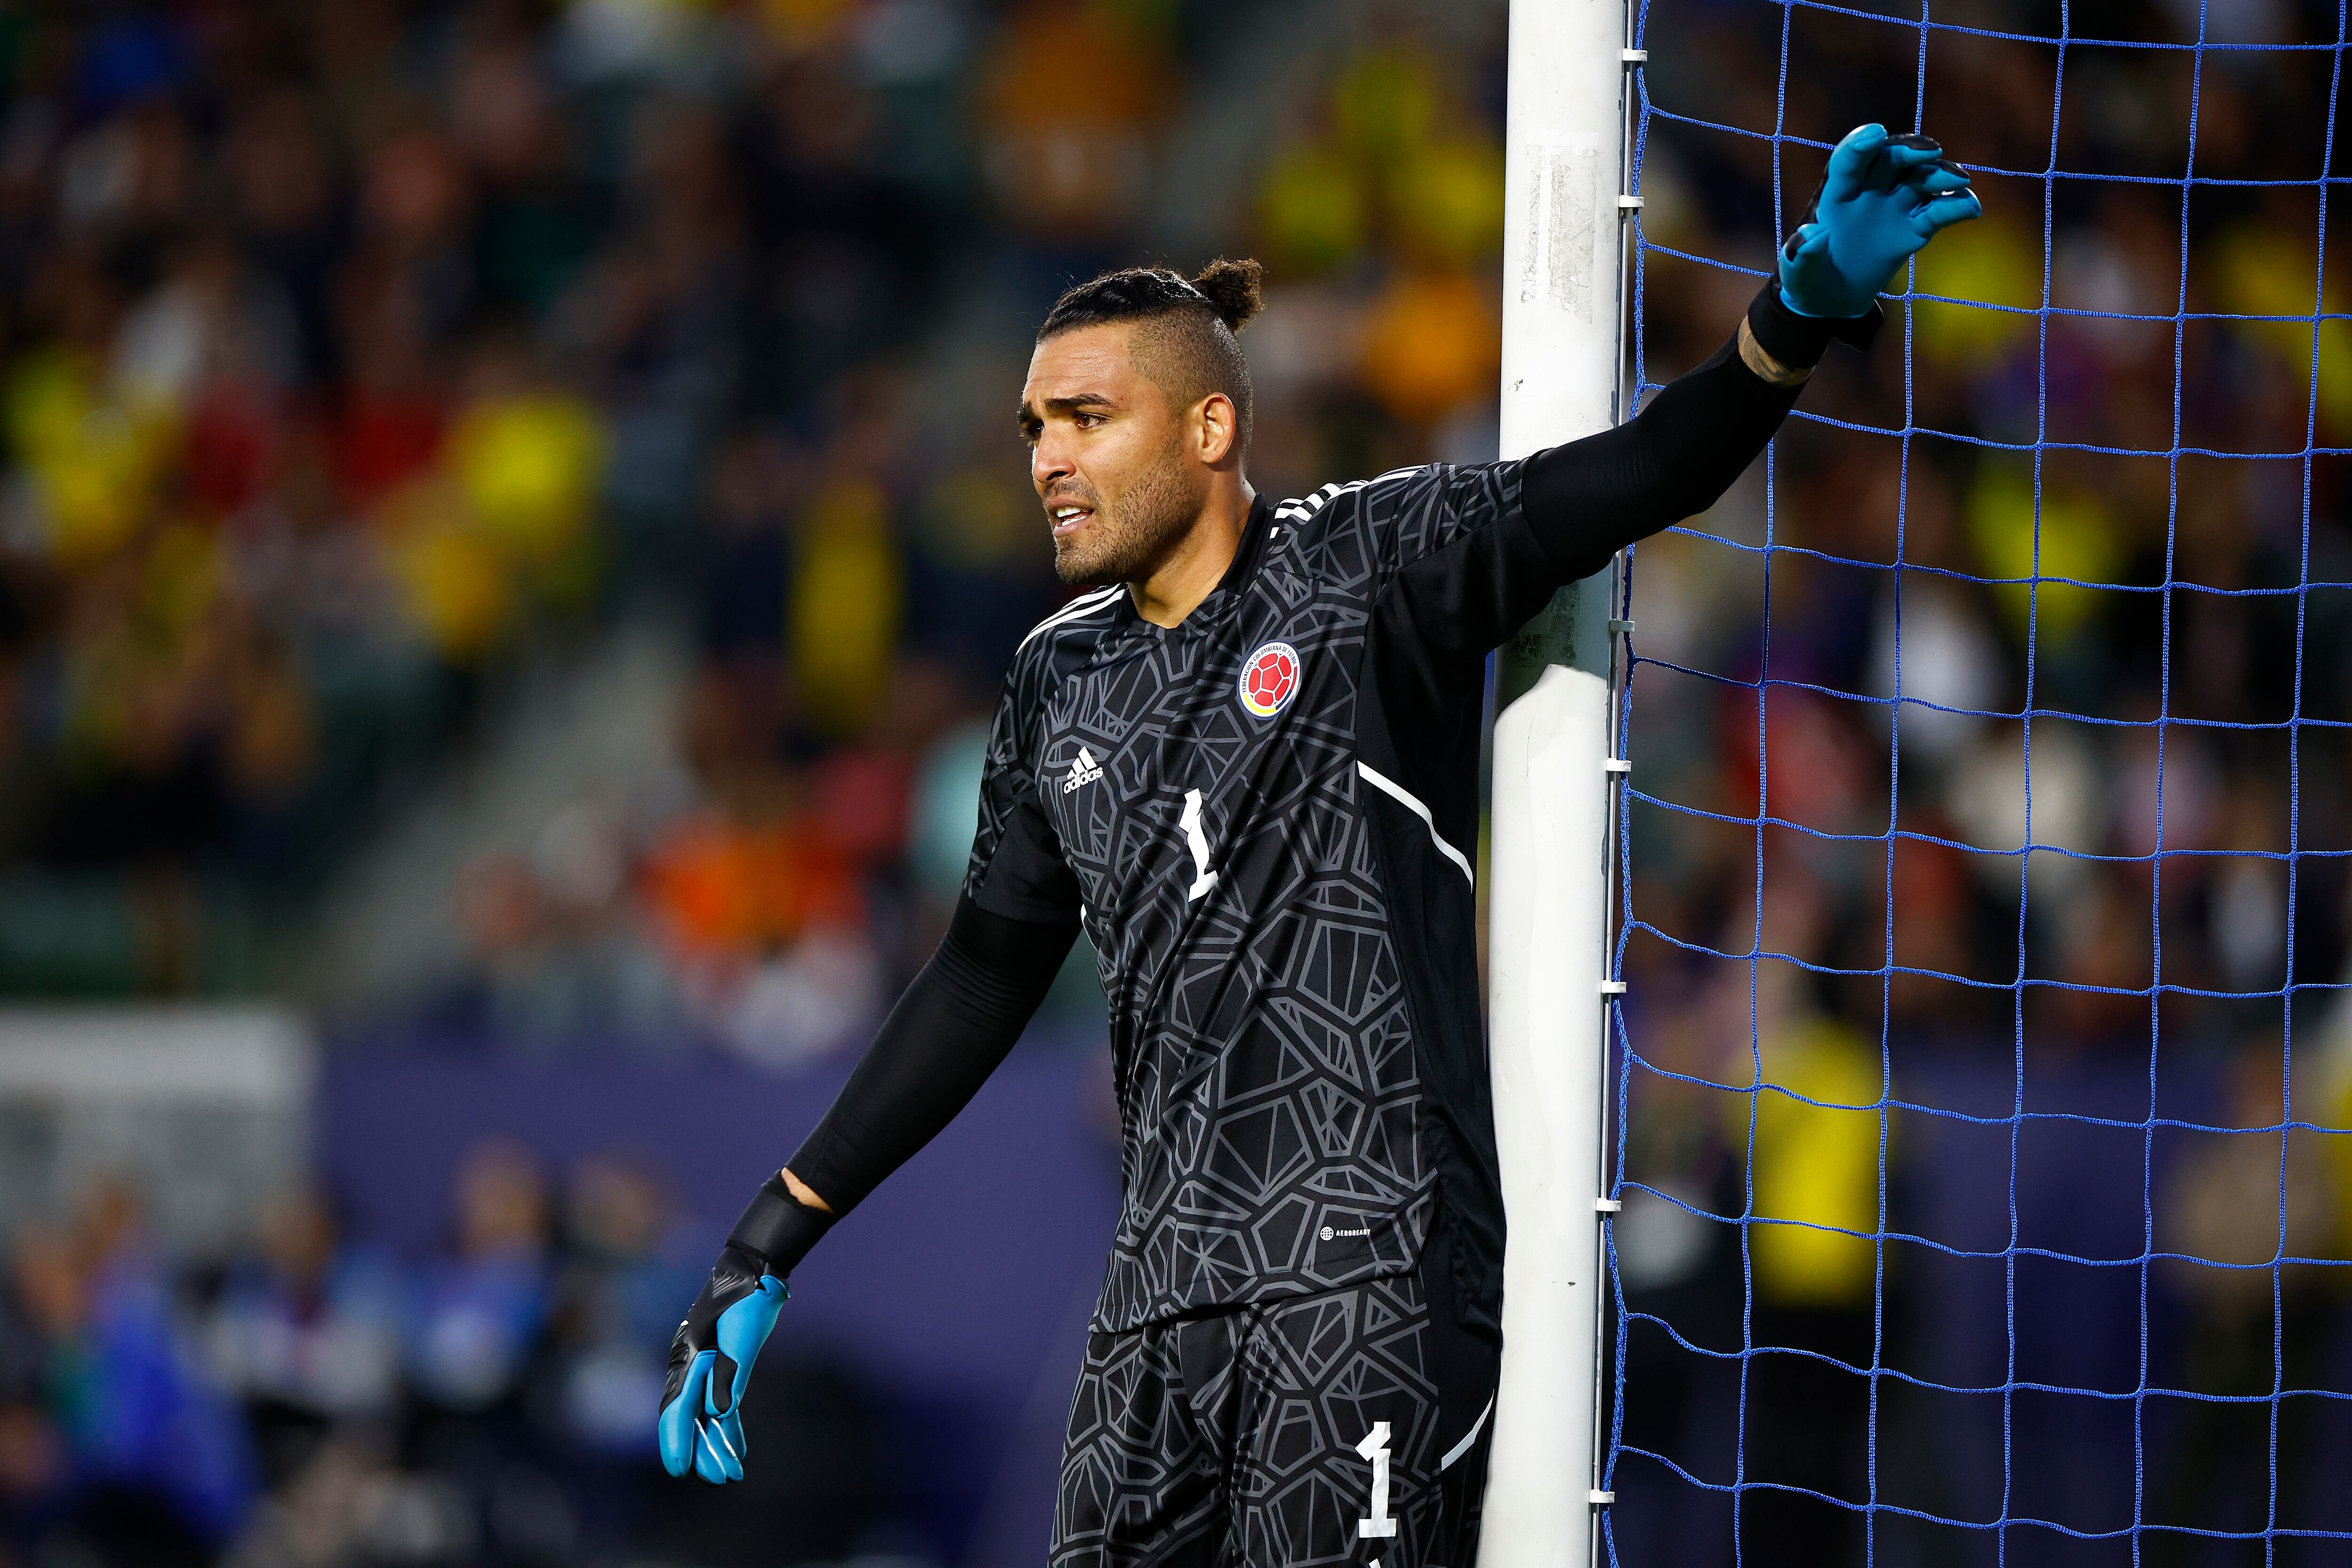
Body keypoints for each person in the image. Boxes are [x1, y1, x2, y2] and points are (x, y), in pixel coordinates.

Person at [659, 123, 1980, 1566]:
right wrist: (776, 1228)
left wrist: (1801, 311)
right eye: (1033, 425)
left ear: (1210, 429)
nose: (1045, 458)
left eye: (1086, 419)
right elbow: (979, 981)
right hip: (1160, 1299)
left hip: (1371, 1274)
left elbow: (1649, 470)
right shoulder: (1055, 680)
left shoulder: (1365, 567)